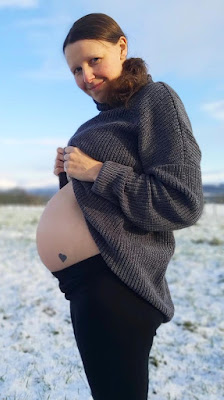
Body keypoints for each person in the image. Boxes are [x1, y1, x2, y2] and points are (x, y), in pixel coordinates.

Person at [35, 13, 204, 400]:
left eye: (94, 60)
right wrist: (68, 178)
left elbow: (182, 201)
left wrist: (96, 171)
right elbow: (99, 205)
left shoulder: (155, 100)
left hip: (117, 283)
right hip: (86, 285)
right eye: (75, 70)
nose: (86, 76)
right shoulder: (103, 120)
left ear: (122, 48)